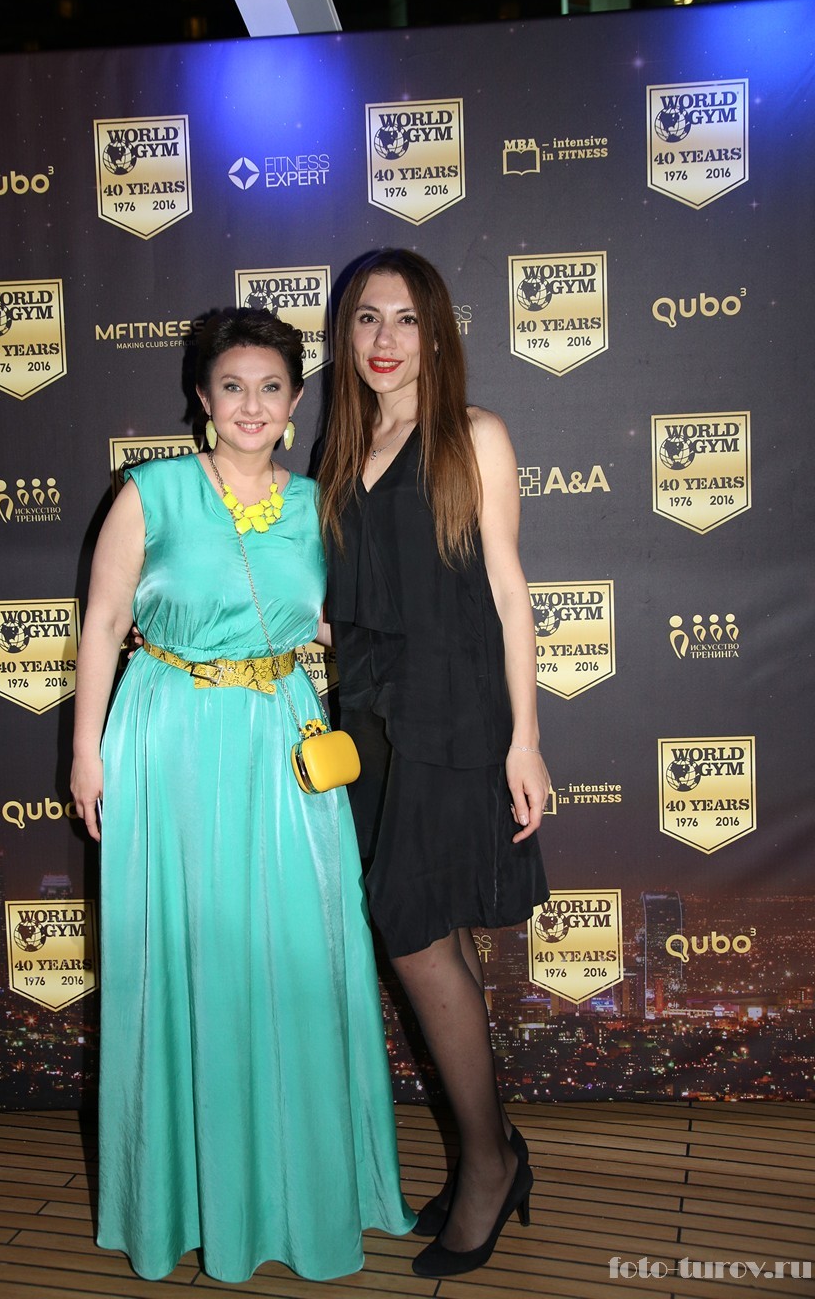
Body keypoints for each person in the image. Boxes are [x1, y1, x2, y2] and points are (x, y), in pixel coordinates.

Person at [71, 307, 414, 1284]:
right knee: (187, 959)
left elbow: (347, 623)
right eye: (232, 387)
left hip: (284, 742)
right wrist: (87, 754)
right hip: (169, 739)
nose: (252, 406)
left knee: (303, 957)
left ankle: (305, 1197)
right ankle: (186, 1201)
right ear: (202, 398)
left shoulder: (320, 504)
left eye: (271, 388)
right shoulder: (151, 492)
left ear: (297, 401)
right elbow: (103, 623)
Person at [318, 249, 551, 1280]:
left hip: (455, 715)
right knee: (441, 936)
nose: (384, 340)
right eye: (367, 319)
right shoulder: (344, 448)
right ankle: (488, 1152)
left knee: (414, 940)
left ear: (438, 332)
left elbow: (508, 591)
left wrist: (526, 738)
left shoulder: (473, 435)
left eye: (406, 319)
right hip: (368, 720)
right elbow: (347, 603)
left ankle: (491, 1165)